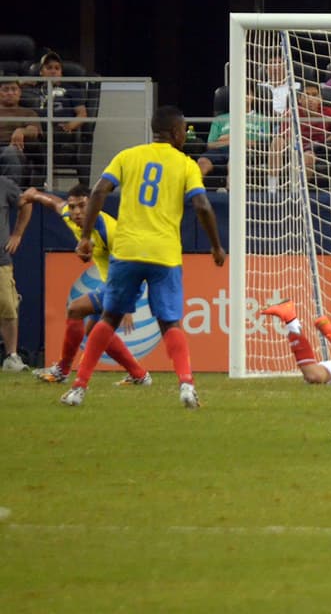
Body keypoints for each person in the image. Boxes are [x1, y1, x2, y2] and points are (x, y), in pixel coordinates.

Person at [59, 106, 227, 409]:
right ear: (176, 133)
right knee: (170, 322)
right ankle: (186, 384)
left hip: (127, 251)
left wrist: (84, 236)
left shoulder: (128, 156)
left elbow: (98, 191)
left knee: (108, 318)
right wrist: (215, 246)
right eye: (184, 131)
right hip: (164, 254)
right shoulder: (186, 164)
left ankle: (78, 387)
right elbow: (202, 205)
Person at [22, 185, 152, 385]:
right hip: (110, 282)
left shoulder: (110, 231)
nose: (76, 212)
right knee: (95, 331)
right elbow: (55, 203)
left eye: (82, 206)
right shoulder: (70, 217)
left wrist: (126, 305)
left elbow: (132, 265)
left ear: (94, 205)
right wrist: (35, 195)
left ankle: (63, 371)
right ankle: (139, 375)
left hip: (126, 282)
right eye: (73, 207)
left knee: (75, 309)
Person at [33, 52, 90, 185]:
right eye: (49, 68)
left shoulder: (72, 90)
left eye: (57, 68)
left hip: (61, 131)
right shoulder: (34, 90)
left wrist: (70, 126)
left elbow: (82, 115)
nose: (53, 71)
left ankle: (39, 186)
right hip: (37, 130)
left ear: (61, 72)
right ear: (41, 72)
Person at [0, 174, 32, 370]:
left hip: (0, 260)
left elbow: (26, 203)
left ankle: (11, 357)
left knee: (8, 306)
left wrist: (17, 234)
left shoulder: (3, 184)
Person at [0, 80, 43, 185]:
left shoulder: (28, 112)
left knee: (10, 152)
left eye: (14, 89)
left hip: (15, 149)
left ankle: (11, 196)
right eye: (6, 90)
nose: (10, 93)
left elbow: (34, 131)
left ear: (20, 93)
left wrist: (21, 131)